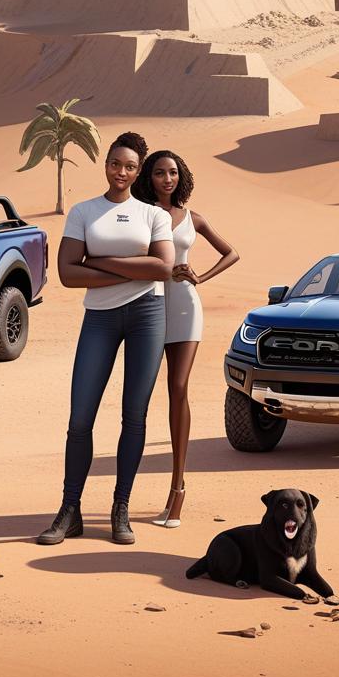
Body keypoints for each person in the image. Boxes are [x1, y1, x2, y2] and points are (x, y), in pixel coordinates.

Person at [37, 133, 174, 547]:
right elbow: (66, 273)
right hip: (99, 317)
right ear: (106, 165)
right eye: (115, 163)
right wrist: (134, 267)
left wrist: (97, 262)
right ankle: (69, 510)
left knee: (134, 416)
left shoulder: (153, 216)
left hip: (147, 315)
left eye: (130, 166)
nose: (121, 172)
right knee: (80, 418)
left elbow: (164, 268)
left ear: (138, 171)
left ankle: (120, 509)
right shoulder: (83, 211)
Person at [132, 151, 238, 527]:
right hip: (146, 306)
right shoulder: (140, 213)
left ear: (182, 176)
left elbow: (231, 252)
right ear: (149, 176)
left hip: (185, 307)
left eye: (173, 172)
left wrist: (201, 278)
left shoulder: (194, 218)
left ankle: (178, 489)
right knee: (141, 396)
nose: (167, 179)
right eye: (160, 172)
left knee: (178, 388)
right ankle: (125, 495)